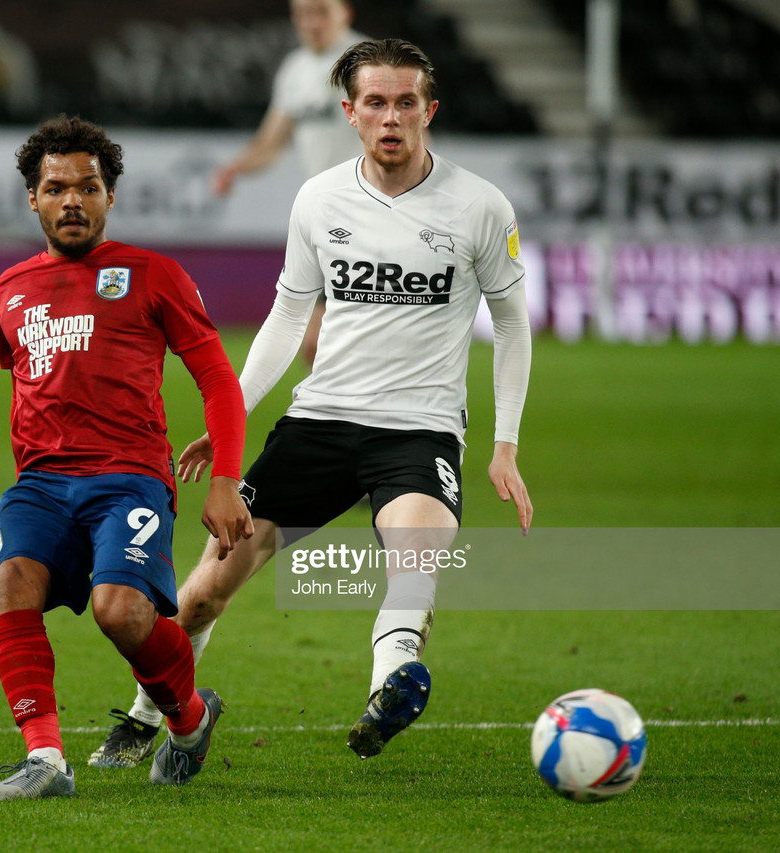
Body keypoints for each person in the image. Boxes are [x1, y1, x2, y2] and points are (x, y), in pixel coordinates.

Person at [89, 38, 532, 769]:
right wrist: (227, 417)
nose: (391, 117)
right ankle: (149, 713)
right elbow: (289, 317)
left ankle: (389, 690)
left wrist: (505, 442)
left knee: (415, 564)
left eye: (406, 103)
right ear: (350, 113)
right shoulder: (320, 199)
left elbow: (512, 322)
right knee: (201, 594)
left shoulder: (480, 206)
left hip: (417, 432)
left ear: (430, 110)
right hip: (319, 422)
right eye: (376, 103)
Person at [0, 115, 253, 801]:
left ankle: (189, 719)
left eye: (89, 187)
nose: (73, 199)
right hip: (41, 482)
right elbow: (24, 378)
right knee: (14, 582)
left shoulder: (153, 275)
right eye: (56, 187)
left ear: (109, 197)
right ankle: (45, 758)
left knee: (120, 611)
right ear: (33, 200)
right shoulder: (8, 290)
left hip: (128, 477)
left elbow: (218, 378)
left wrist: (224, 480)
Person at [211, 0, 367, 367]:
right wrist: (236, 168)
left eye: (321, 12)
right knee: (318, 346)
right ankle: (348, 418)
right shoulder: (296, 69)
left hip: (371, 213)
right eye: (303, 15)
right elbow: (271, 142)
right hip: (327, 221)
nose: (312, 23)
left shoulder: (370, 62)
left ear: (345, 12)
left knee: (325, 342)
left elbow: (412, 137)